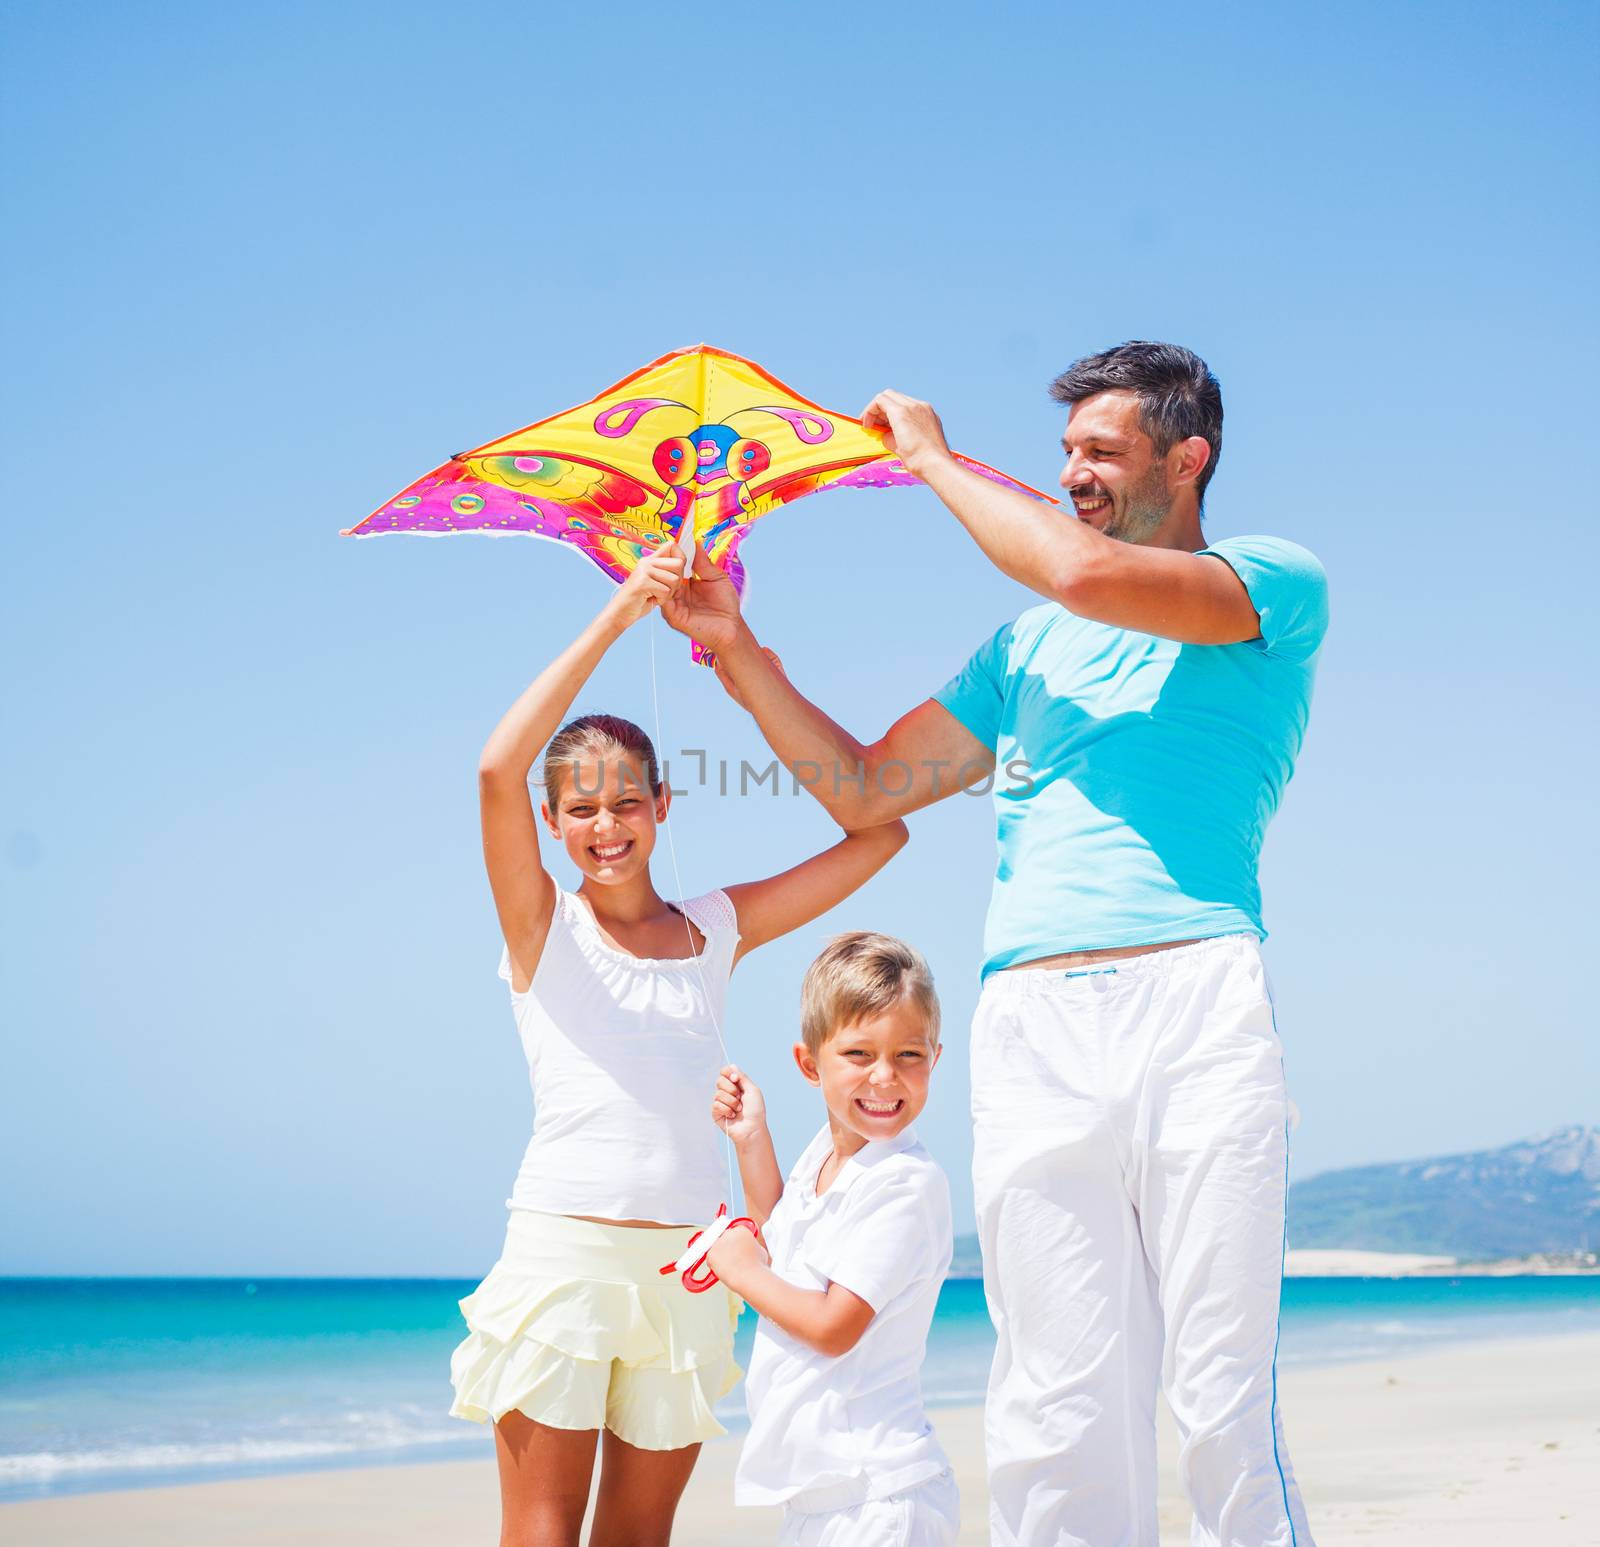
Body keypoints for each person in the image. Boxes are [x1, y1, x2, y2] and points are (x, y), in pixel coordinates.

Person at [666, 342, 1328, 1546]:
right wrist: (732, 646)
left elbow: (1082, 569)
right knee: (1055, 1401)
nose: (1071, 472)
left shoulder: (1271, 583)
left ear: (1190, 459)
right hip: (1031, 1018)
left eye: (1101, 451)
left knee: (1220, 1391)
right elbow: (866, 789)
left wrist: (924, 457)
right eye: (1062, 450)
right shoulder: (1022, 652)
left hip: (1194, 997)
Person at [449, 546, 908, 1547]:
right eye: (580, 807)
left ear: (663, 805)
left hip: (692, 1264)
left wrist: (737, 658)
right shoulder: (541, 925)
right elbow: (494, 764)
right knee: (538, 1530)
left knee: (639, 1536)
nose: (604, 825)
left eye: (626, 801)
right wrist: (617, 617)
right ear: (552, 821)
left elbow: (879, 837)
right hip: (563, 1252)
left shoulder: (717, 927)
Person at [705, 931, 958, 1547]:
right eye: (858, 1054)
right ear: (809, 1064)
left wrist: (738, 1270)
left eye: (908, 1055)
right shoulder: (825, 1156)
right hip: (819, 1499)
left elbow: (832, 1326)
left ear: (935, 1058)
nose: (883, 1077)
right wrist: (752, 1139)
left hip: (881, 1496)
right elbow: (784, 1245)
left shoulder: (905, 1184)